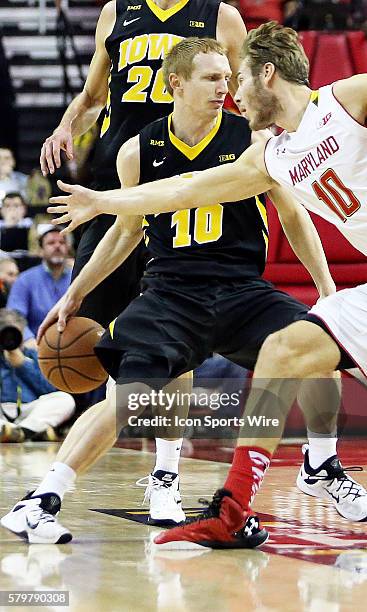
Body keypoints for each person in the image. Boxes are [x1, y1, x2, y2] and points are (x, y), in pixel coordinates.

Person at [1, 37, 348, 545]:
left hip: (240, 288)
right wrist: (76, 293)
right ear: (176, 83)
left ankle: (322, 461)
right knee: (128, 397)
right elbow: (126, 231)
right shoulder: (138, 149)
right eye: (212, 78)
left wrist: (326, 289)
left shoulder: (252, 135)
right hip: (171, 290)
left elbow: (294, 217)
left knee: (322, 342)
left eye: (228, 78)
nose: (225, 87)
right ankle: (42, 500)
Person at [39, 0, 248, 524]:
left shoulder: (219, 16)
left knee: (175, 338)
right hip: (116, 188)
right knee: (78, 323)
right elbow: (92, 96)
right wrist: (67, 126)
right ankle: (65, 473)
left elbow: (247, 96)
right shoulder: (116, 12)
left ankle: (166, 475)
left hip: (185, 188)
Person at [0, 309, 75, 443]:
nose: (10, 339)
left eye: (15, 334)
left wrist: (23, 365)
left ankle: (21, 431)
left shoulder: (34, 355)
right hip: (2, 413)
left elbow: (50, 390)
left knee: (65, 399)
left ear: (22, 333)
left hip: (31, 410)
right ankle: (34, 432)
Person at [7, 227, 71, 337]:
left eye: (62, 242)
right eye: (51, 243)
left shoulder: (78, 278)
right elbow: (14, 316)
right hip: (35, 347)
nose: (57, 246)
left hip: (75, 345)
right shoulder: (25, 280)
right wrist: (28, 340)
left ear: (68, 248)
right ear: (41, 251)